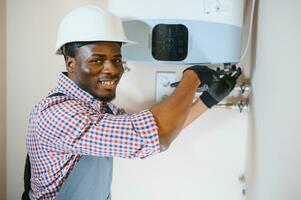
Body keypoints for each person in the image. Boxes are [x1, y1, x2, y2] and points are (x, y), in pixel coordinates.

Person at [24, 5, 241, 200]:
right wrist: (193, 76)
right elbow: (158, 134)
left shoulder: (100, 109)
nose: (111, 69)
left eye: (116, 59)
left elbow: (164, 127)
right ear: (71, 64)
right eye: (97, 60)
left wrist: (208, 100)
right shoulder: (56, 114)